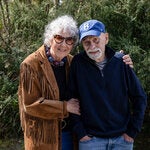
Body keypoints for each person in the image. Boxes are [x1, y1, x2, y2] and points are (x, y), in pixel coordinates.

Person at [18, 15, 133, 150]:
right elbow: (29, 105)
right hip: (44, 136)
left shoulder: (73, 62)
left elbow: (99, 72)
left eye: (69, 40)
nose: (64, 44)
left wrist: (118, 61)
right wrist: (64, 107)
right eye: (59, 38)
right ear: (50, 38)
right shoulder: (31, 64)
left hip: (71, 133)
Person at [68, 19, 147, 150]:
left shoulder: (121, 62)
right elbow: (71, 98)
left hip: (122, 140)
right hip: (91, 140)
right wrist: (81, 133)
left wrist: (132, 132)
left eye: (96, 40)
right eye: (87, 42)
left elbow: (140, 97)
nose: (92, 46)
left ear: (106, 38)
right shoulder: (77, 64)